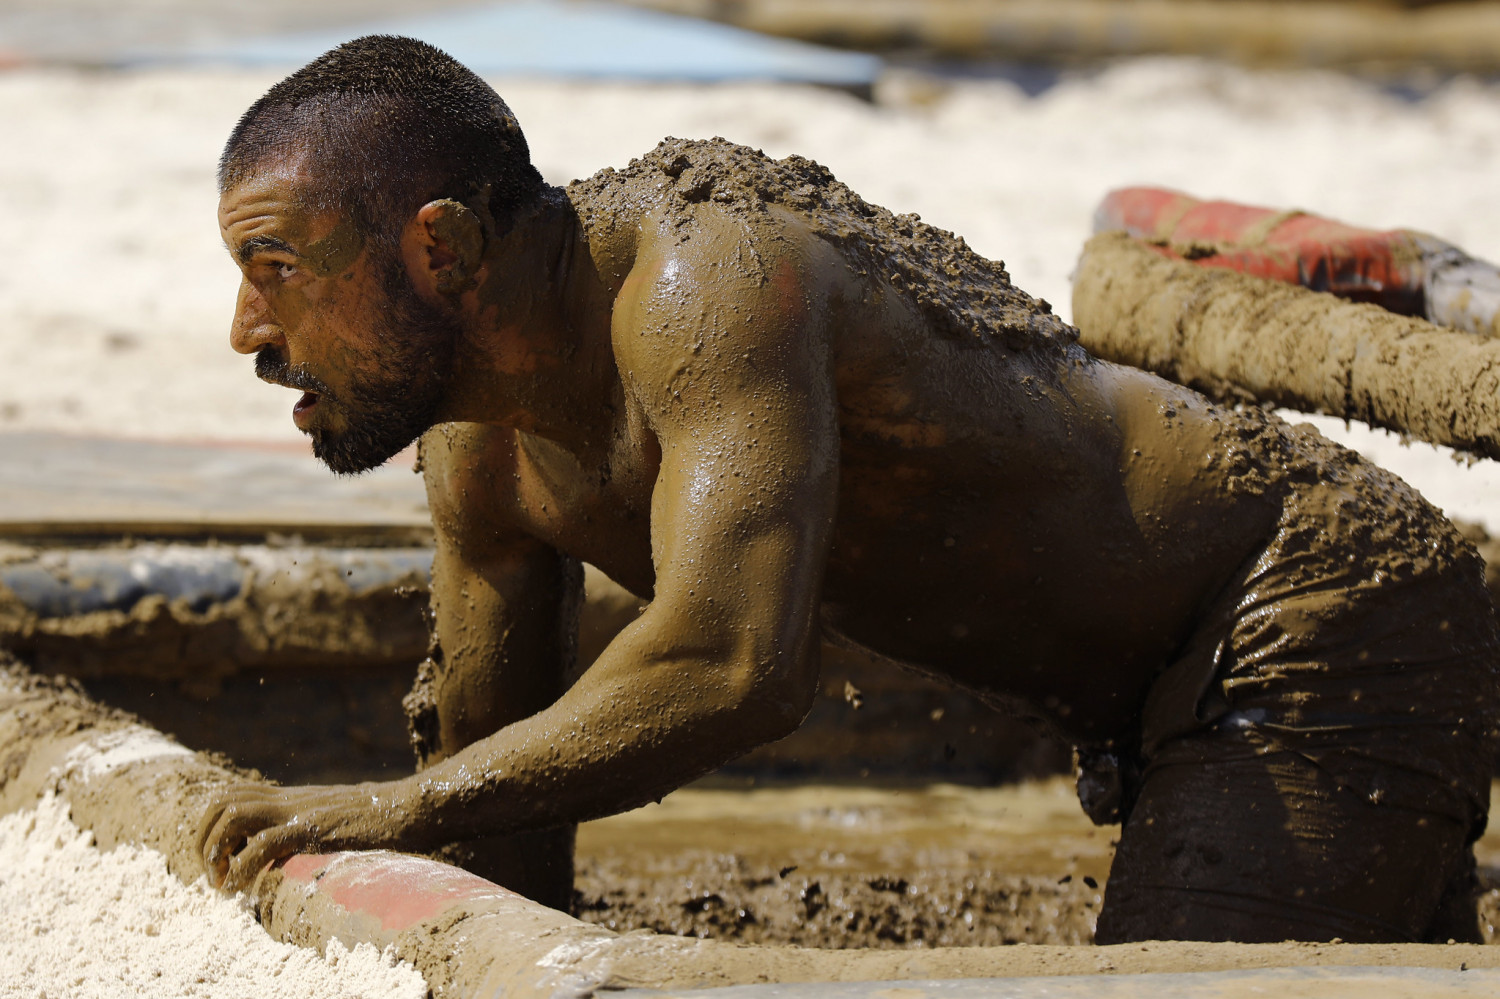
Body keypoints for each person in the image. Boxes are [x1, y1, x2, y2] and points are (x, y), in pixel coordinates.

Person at [199, 35, 1499, 943]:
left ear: (443, 247)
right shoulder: (474, 438)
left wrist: (397, 806)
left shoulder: (707, 286)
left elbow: (733, 666)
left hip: (1305, 612)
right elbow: (501, 809)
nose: (246, 334)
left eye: (276, 267)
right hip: (1146, 698)